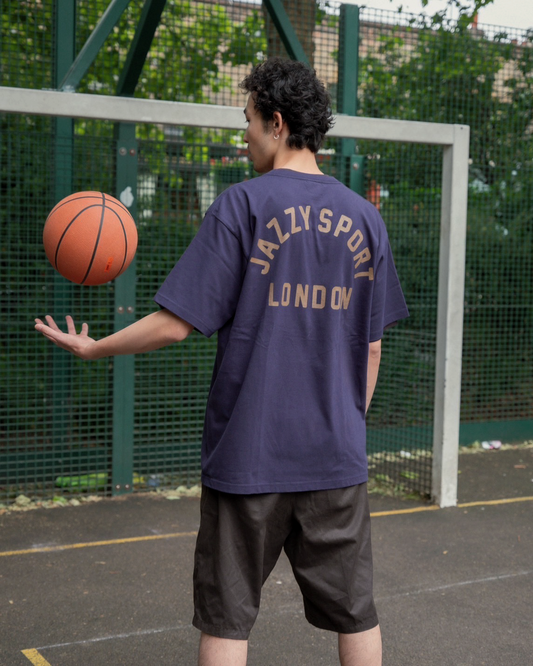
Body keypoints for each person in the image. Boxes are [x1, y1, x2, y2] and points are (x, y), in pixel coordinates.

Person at [35, 57, 409, 666]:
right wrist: (345, 423)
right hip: (336, 458)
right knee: (357, 613)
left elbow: (177, 324)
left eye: (248, 121)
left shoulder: (243, 206)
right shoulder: (366, 218)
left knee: (228, 621)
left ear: (277, 122)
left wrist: (96, 346)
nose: (244, 135)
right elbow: (371, 345)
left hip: (250, 455)